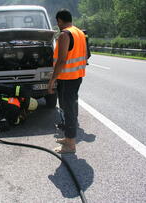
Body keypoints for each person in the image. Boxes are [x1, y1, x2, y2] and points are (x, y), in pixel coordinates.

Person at [48, 9, 87, 153]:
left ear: (59, 21)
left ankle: (70, 144)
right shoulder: (79, 32)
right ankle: (68, 138)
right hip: (76, 76)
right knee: (68, 108)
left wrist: (52, 80)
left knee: (69, 111)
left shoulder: (65, 35)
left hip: (68, 78)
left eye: (57, 22)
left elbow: (62, 60)